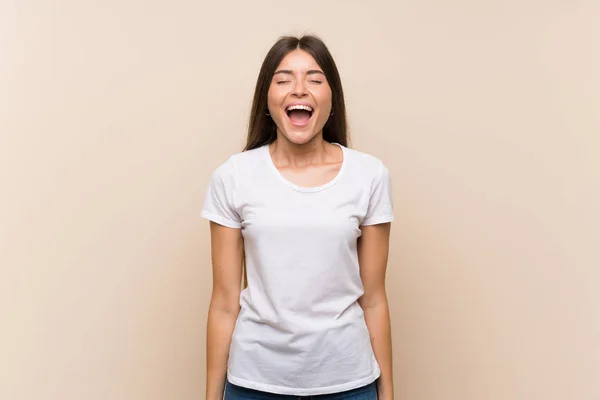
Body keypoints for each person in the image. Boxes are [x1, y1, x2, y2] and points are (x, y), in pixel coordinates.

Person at [201, 34, 395, 400]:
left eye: (315, 80)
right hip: (253, 382)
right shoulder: (233, 176)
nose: (300, 90)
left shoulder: (369, 175)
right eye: (284, 79)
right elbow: (224, 302)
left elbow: (374, 299)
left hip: (349, 383)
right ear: (267, 100)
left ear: (331, 98)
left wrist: (387, 393)